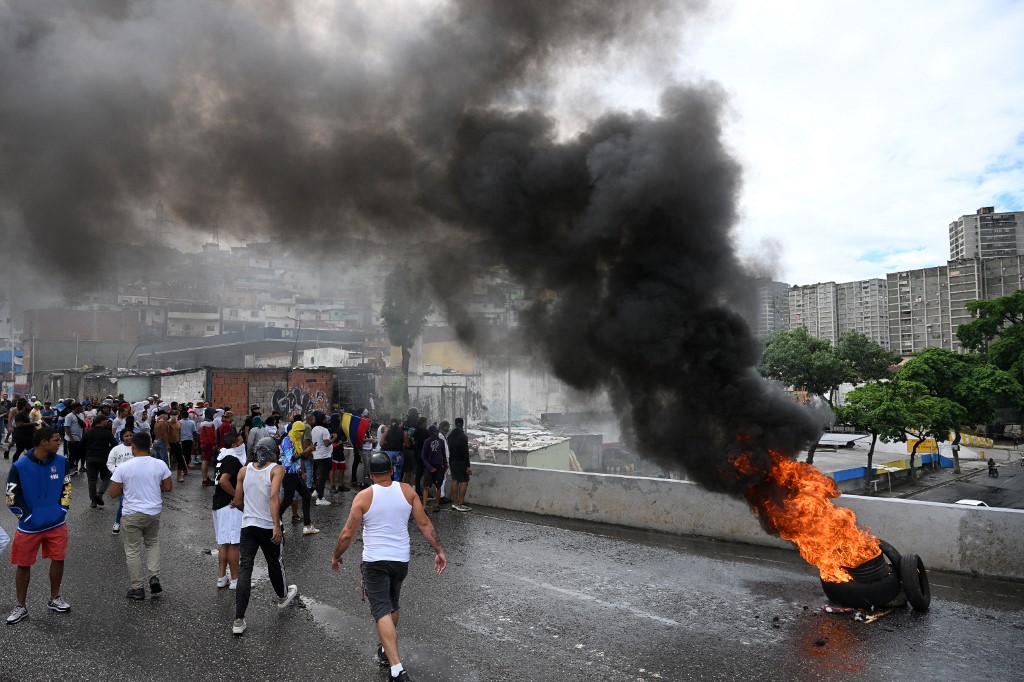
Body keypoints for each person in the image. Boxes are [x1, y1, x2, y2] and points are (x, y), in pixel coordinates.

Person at [331, 452, 446, 682]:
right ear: (392, 470)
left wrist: (336, 556)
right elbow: (424, 523)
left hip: (375, 561)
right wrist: (439, 551)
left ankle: (396, 670)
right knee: (392, 605)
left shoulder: (364, 497)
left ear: (371, 474)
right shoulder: (407, 491)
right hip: (400, 560)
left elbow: (347, 534)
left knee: (381, 610)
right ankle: (385, 650)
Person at [231, 437, 298, 635]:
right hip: (268, 526)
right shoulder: (276, 469)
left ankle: (238, 619)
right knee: (274, 562)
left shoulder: (244, 470)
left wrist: (249, 514)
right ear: (272, 452)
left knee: (245, 568)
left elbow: (237, 500)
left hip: (248, 527)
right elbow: (273, 496)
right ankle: (282, 596)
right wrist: (276, 525)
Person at [5, 427, 72, 625]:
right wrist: (27, 516)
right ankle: (21, 606)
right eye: (55, 440)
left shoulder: (62, 462)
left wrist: (62, 510)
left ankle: (54, 598)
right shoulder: (20, 465)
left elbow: (66, 487)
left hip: (57, 523)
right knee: (23, 564)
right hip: (29, 527)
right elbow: (11, 497)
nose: (59, 443)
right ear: (43, 442)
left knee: (58, 559)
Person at [107, 432, 172, 600]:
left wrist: (126, 487)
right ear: (150, 445)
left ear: (133, 447)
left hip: (131, 513)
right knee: (152, 544)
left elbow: (113, 493)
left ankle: (137, 588)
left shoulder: (124, 467)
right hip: (153, 512)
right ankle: (154, 577)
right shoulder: (160, 464)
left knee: (133, 550)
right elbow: (168, 487)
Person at [213, 430, 246, 589]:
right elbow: (224, 481)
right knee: (234, 543)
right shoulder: (232, 459)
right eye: (240, 442)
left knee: (224, 543)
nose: (242, 445)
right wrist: (237, 496)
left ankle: (221, 577)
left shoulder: (221, 457)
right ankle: (235, 580)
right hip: (230, 506)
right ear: (234, 445)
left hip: (219, 505)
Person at [278, 426, 317, 536]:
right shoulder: (287, 441)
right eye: (299, 431)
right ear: (294, 430)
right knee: (288, 499)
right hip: (289, 474)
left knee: (306, 496)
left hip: (295, 473)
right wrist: (306, 451)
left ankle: (307, 525)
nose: (300, 433)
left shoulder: (295, 440)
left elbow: (300, 458)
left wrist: (308, 451)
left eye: (302, 432)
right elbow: (291, 459)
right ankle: (276, 521)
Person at [83, 414, 118, 508]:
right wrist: (107, 449)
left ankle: (93, 501)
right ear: (102, 421)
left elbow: (81, 445)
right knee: (107, 477)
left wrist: (89, 449)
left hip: (90, 458)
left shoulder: (89, 432)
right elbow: (115, 444)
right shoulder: (107, 433)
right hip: (103, 458)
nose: (107, 422)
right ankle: (100, 493)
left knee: (92, 480)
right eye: (106, 420)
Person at [106, 429, 135, 534]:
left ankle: (132, 525)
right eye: (126, 436)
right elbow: (110, 463)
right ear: (122, 437)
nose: (129, 438)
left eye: (131, 435)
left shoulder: (137, 448)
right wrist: (117, 472)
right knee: (122, 503)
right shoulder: (116, 449)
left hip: (135, 481)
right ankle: (117, 522)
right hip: (121, 482)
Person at [420, 422, 450, 512]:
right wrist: (429, 467)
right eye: (435, 432)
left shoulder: (441, 441)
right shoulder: (427, 441)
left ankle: (436, 505)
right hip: (430, 467)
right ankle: (424, 506)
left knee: (438, 486)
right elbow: (423, 456)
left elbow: (444, 455)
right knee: (426, 486)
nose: (436, 433)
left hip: (439, 467)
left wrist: (445, 465)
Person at [447, 417, 473, 512]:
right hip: (461, 462)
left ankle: (455, 502)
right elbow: (465, 453)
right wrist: (468, 466)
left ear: (455, 423)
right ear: (462, 424)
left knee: (455, 480)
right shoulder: (463, 437)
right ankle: (461, 503)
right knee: (464, 481)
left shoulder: (450, 436)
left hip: (452, 461)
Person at [309, 411, 334, 505]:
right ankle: (320, 498)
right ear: (323, 420)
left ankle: (316, 491)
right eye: (326, 419)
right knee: (322, 477)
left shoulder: (314, 428)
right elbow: (327, 443)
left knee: (320, 475)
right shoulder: (324, 430)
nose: (327, 420)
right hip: (324, 456)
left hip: (317, 455)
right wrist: (334, 438)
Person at [63, 403, 86, 474]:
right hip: (71, 439)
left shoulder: (82, 415)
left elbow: (82, 427)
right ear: (76, 407)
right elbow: (66, 427)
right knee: (71, 455)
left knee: (78, 454)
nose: (82, 408)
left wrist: (83, 436)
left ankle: (75, 466)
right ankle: (70, 469)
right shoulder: (69, 416)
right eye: (81, 407)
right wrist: (71, 438)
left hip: (79, 439)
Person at [381, 417, 405, 483]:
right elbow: (408, 445)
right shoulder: (402, 433)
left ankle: (387, 485)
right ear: (399, 424)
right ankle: (395, 487)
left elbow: (381, 443)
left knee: (387, 470)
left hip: (388, 454)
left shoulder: (387, 432)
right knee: (397, 471)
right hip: (398, 454)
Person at [199, 408, 218, 486]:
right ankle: (205, 479)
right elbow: (211, 435)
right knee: (205, 461)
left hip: (204, 443)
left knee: (205, 460)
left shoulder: (204, 421)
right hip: (207, 444)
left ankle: (205, 478)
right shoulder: (208, 423)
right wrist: (214, 445)